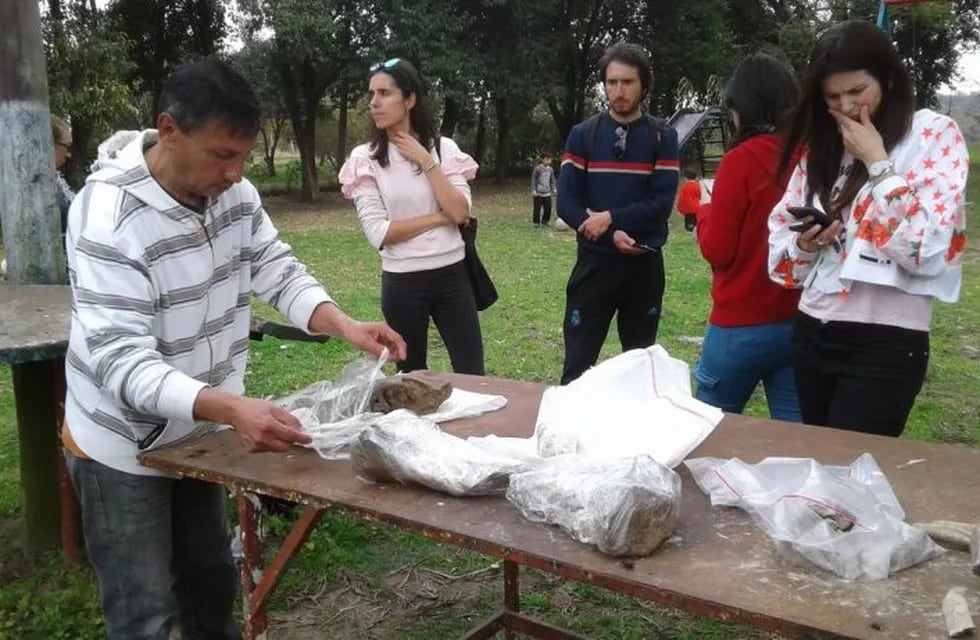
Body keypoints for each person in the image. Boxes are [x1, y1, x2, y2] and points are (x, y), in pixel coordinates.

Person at [61, 57, 406, 639]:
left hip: (201, 435)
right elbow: (122, 362)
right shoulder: (107, 217)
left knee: (210, 588)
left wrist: (343, 325)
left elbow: (274, 269)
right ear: (169, 131)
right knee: (144, 613)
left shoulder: (235, 194)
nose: (236, 173)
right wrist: (231, 408)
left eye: (244, 156)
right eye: (223, 155)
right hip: (121, 446)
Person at [768, 20, 969, 437]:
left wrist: (878, 163)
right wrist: (806, 244)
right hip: (813, 327)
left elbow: (926, 250)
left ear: (889, 79)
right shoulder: (823, 150)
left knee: (854, 474)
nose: (847, 107)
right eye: (833, 97)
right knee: (823, 463)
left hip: (886, 338)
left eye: (858, 92)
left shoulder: (931, 135)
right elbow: (783, 266)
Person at [339, 57, 485, 375]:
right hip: (403, 282)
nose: (374, 103)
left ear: (410, 99)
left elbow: (461, 211)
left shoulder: (444, 149)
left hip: (453, 276)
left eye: (384, 93)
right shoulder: (365, 159)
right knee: (410, 377)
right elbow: (379, 233)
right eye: (371, 94)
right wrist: (438, 218)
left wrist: (426, 161)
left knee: (473, 373)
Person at [556, 42, 679, 384]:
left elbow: (661, 204)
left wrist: (609, 217)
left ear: (644, 85)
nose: (619, 91)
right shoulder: (583, 135)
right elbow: (566, 203)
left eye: (628, 82)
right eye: (612, 82)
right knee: (577, 368)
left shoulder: (662, 136)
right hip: (594, 265)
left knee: (639, 367)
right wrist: (610, 235)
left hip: (644, 267)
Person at [694, 53, 802, 422]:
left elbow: (718, 249)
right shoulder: (812, 155)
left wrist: (704, 209)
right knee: (797, 440)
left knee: (708, 431)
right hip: (797, 320)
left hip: (739, 324)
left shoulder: (741, 160)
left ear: (743, 109)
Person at [531, 153, 556, 227]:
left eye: (550, 159)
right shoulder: (537, 169)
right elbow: (534, 179)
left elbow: (552, 180)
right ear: (542, 160)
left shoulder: (550, 169)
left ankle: (545, 221)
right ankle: (536, 222)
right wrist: (533, 190)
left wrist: (554, 188)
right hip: (538, 193)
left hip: (547, 193)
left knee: (548, 208)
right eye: (547, 159)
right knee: (537, 209)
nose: (548, 161)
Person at [676, 167, 701, 232]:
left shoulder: (684, 187)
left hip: (688, 210)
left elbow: (682, 199)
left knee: (690, 226)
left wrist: (680, 208)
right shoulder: (698, 186)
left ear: (685, 178)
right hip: (697, 209)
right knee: (698, 224)